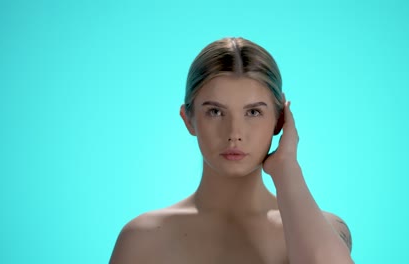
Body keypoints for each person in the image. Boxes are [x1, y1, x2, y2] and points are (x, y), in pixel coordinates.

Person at [110, 37, 353, 264]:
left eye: (253, 112)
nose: (234, 132)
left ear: (280, 121)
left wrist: (287, 168)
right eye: (215, 112)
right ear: (188, 119)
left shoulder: (324, 229)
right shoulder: (142, 238)